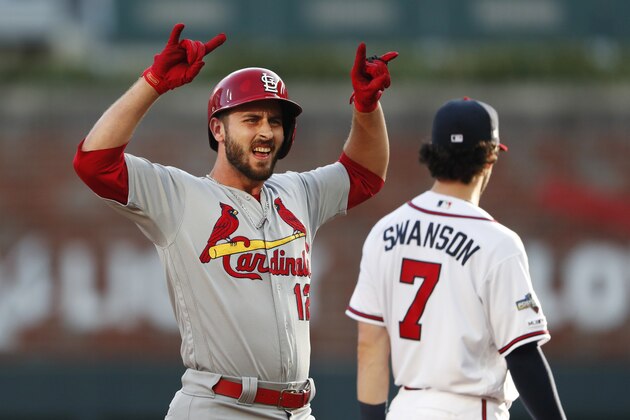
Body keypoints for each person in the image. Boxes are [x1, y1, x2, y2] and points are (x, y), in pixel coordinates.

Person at [73, 22, 397, 419]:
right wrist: (153, 82)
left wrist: (367, 107)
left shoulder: (298, 193)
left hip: (298, 409)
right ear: (218, 129)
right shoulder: (180, 196)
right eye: (251, 119)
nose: (265, 131)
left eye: (275, 121)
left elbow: (366, 174)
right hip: (220, 406)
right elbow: (94, 164)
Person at [346, 98, 567, 420]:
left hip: (405, 408)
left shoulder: (384, 231)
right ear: (490, 158)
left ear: (433, 155)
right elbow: (522, 356)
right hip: (469, 409)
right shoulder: (497, 242)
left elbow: (369, 347)